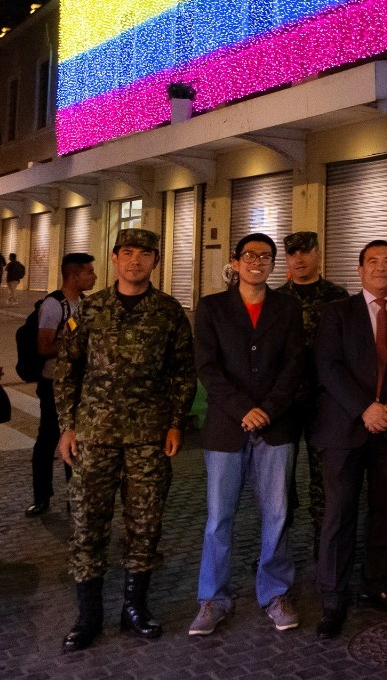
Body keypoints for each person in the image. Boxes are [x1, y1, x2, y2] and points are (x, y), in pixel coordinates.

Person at [54, 228, 197, 651]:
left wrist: (175, 423)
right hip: (93, 438)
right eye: (127, 252)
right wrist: (67, 425)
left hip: (148, 440)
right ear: (114, 259)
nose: (135, 260)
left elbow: (183, 373)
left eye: (145, 254)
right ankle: (88, 615)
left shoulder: (169, 312)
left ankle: (135, 608)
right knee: (86, 525)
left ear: (155, 261)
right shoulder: (89, 309)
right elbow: (67, 371)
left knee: (145, 526)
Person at [312, 240, 387, 640]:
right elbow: (327, 366)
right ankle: (333, 599)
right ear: (360, 270)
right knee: (339, 514)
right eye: (373, 262)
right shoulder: (337, 314)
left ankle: (377, 583)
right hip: (345, 429)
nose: (381, 268)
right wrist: (365, 408)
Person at [189, 233, 307, 636]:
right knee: (219, 517)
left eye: (266, 256)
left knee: (277, 515)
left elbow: (295, 365)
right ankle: (212, 599)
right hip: (227, 427)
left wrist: (268, 410)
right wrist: (244, 409)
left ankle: (274, 592)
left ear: (274, 265)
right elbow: (207, 366)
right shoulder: (211, 307)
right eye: (250, 255)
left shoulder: (287, 307)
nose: (257, 261)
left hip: (276, 427)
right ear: (236, 262)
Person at [279, 231, 350, 556]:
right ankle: (275, 547)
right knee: (279, 482)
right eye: (293, 253)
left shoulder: (338, 297)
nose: (300, 258)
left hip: (325, 401)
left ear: (318, 254)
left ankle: (325, 547)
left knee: (324, 480)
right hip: (286, 402)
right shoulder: (277, 298)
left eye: (306, 251)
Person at [28, 251, 95, 518]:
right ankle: (42, 496)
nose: (94, 276)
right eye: (89, 272)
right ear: (74, 275)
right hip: (53, 384)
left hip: (80, 384)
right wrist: (74, 344)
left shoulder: (85, 303)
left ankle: (74, 497)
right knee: (47, 440)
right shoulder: (54, 305)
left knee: (77, 441)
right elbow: (44, 346)